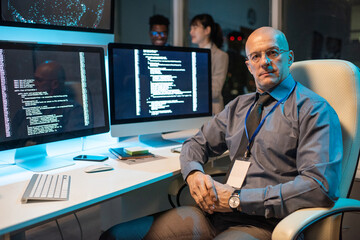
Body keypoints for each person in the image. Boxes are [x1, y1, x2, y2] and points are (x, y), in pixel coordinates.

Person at [100, 26, 342, 240]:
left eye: (272, 53)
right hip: (215, 215)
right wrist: (193, 173)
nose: (264, 62)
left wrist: (238, 199)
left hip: (266, 224)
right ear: (248, 66)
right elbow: (195, 144)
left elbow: (319, 188)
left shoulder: (313, 110)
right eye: (255, 56)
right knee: (117, 236)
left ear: (289, 58)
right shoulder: (239, 107)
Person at [190, 14, 228, 115]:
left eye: (195, 27)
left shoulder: (220, 56)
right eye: (191, 28)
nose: (191, 32)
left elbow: (215, 91)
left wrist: (188, 87)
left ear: (207, 30)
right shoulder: (192, 55)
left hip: (212, 112)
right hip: (193, 109)